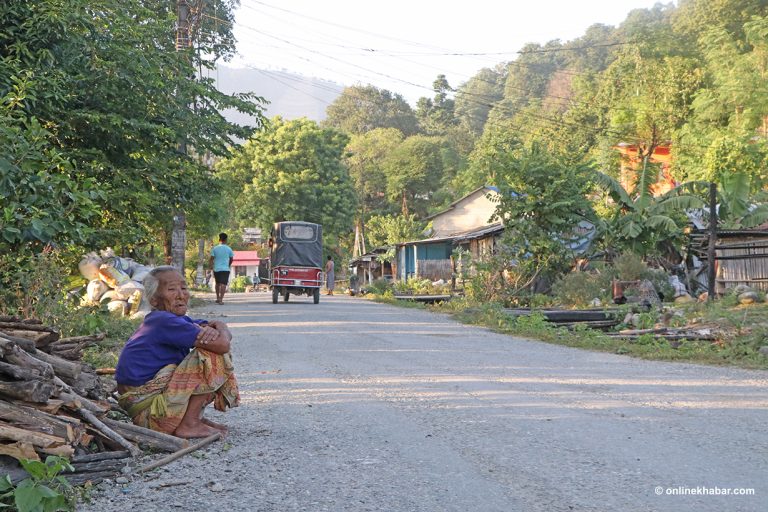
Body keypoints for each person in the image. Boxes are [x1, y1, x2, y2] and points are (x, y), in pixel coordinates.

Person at [115, 266, 239, 438]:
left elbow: (214, 328)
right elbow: (222, 344)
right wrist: (219, 329)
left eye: (184, 288)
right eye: (172, 289)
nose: (181, 295)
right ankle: (189, 424)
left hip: (156, 412)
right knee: (211, 355)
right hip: (151, 416)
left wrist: (220, 325)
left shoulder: (173, 320)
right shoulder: (163, 321)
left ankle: (192, 419)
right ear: (154, 300)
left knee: (209, 347)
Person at [209, 232, 234, 304]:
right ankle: (221, 299)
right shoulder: (229, 249)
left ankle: (217, 297)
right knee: (223, 284)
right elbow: (231, 259)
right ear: (226, 240)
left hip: (216, 269)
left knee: (217, 283)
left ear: (219, 239)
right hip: (225, 269)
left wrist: (211, 266)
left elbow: (211, 259)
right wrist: (228, 265)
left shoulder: (215, 248)